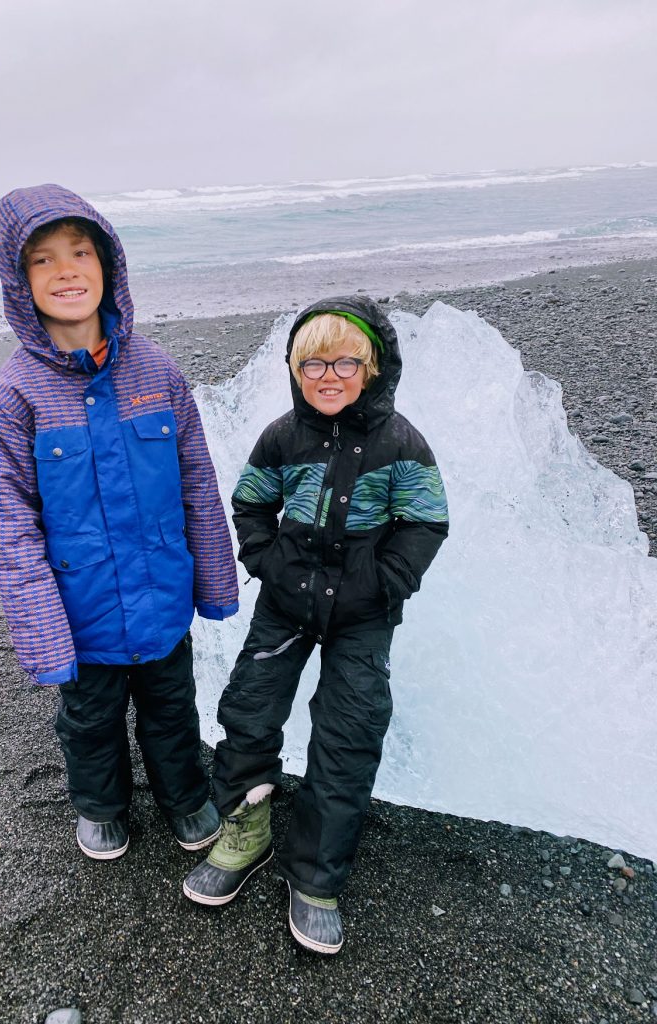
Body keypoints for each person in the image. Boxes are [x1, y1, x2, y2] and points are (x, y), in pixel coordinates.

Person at [183, 296, 448, 954]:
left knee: (349, 729)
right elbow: (251, 504)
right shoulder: (281, 437)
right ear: (295, 371)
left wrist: (383, 585)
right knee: (249, 707)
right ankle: (247, 831)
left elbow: (425, 522)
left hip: (364, 615)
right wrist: (269, 563)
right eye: (312, 365)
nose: (328, 377)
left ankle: (317, 875)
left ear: (375, 366)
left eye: (344, 362)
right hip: (288, 602)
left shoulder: (402, 443)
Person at [0, 184, 238, 861]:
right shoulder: (15, 394)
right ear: (18, 280)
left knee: (171, 708)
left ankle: (184, 796)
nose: (66, 271)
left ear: (110, 265)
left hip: (160, 593)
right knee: (89, 721)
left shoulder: (157, 371)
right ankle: (100, 807)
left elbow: (198, 487)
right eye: (43, 260)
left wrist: (214, 583)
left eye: (81, 251)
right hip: (81, 606)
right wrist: (41, 633)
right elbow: (11, 526)